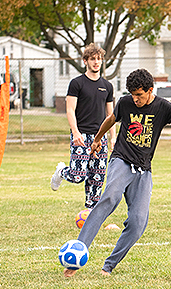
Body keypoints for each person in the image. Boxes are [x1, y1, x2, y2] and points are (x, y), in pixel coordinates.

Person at [63, 69, 171, 277]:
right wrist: (98, 139)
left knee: (138, 223)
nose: (135, 99)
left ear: (150, 90)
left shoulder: (163, 107)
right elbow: (111, 119)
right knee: (109, 198)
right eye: (132, 94)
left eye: (139, 95)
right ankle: (77, 252)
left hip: (143, 169)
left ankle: (109, 265)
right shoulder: (125, 103)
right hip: (121, 160)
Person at [50, 43, 116, 210]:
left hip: (99, 138)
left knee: (97, 179)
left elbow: (111, 116)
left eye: (99, 59)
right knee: (78, 175)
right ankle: (61, 172)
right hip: (81, 135)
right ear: (85, 61)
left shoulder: (107, 86)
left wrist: (113, 137)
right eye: (92, 59)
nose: (96, 62)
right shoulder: (77, 83)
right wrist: (75, 131)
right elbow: (70, 109)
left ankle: (89, 214)